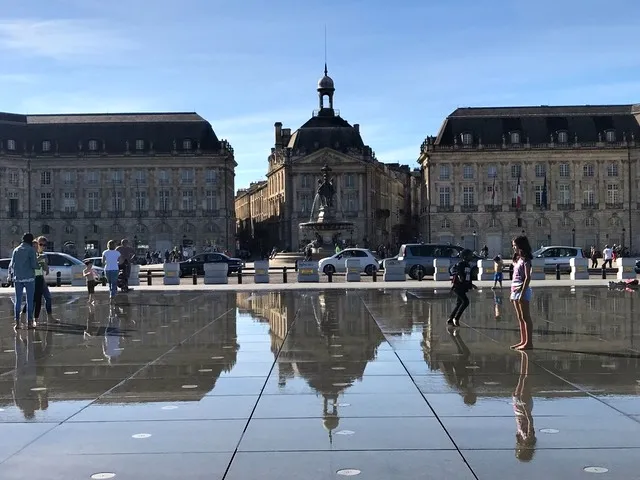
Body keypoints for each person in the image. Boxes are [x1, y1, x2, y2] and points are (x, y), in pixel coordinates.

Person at [8, 233, 38, 330]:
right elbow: (34, 265)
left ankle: (17, 323)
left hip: (18, 278)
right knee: (30, 300)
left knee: (18, 300)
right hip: (29, 277)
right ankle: (29, 322)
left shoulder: (16, 250)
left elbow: (12, 264)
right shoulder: (31, 250)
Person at [510, 235, 534, 350]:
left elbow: (527, 277)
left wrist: (523, 293)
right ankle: (523, 341)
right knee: (520, 317)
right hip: (515, 289)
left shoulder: (526, 260)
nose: (513, 248)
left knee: (526, 317)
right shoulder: (517, 259)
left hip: (522, 289)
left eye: (515, 245)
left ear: (520, 246)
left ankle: (529, 342)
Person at [448, 249, 477, 327]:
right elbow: (453, 269)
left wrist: (471, 285)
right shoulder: (460, 264)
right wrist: (458, 275)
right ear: (465, 256)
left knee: (459, 303)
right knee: (466, 302)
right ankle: (456, 318)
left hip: (463, 287)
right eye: (470, 255)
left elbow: (468, 277)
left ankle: (450, 318)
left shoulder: (468, 265)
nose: (471, 256)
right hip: (458, 286)